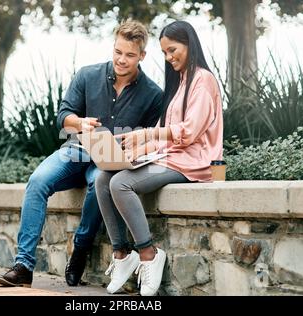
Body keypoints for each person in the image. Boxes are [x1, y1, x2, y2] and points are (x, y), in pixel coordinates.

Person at [0, 20, 163, 288]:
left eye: (130, 55)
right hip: (75, 150)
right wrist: (79, 123)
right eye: (118, 52)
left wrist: (127, 150)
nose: (122, 60)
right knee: (37, 182)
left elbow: (148, 139)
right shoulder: (87, 75)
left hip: (110, 162)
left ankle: (81, 250)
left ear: (142, 55)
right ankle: (23, 266)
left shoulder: (154, 95)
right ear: (113, 46)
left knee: (99, 185)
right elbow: (63, 116)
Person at [95, 20, 223, 296]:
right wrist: (132, 152)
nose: (169, 57)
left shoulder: (203, 80)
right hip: (171, 157)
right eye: (164, 52)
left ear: (190, 44)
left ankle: (148, 253)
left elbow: (188, 133)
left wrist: (145, 136)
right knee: (103, 178)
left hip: (193, 163)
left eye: (173, 50)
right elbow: (166, 136)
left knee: (121, 184)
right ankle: (121, 254)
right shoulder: (180, 82)